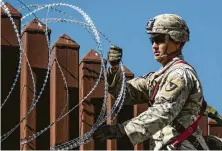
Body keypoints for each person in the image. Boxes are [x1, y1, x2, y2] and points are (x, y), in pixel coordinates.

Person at [93, 14, 209, 150]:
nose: (154, 46)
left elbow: (162, 112)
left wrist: (121, 130)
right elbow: (124, 94)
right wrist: (114, 69)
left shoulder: (180, 74)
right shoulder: (158, 77)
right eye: (152, 40)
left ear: (177, 40)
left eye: (159, 40)